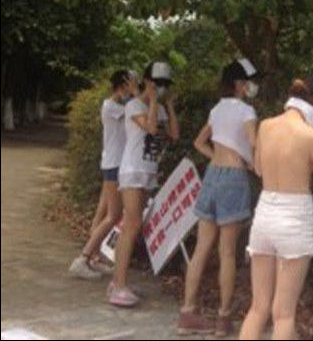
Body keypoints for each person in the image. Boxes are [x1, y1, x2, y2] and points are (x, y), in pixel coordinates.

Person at [239, 76, 313, 341]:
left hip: (265, 212)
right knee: (284, 314)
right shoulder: (312, 137)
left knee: (258, 307)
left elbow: (258, 169)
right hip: (295, 217)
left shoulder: (266, 126)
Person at [178, 58, 260, 337]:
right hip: (234, 178)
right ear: (239, 84)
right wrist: (254, 166)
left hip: (212, 175)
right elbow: (254, 145)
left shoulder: (216, 109)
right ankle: (223, 318)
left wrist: (217, 156)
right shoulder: (247, 111)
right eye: (248, 82)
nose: (251, 86)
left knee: (202, 248)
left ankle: (187, 312)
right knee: (227, 253)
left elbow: (199, 142)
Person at [108, 61, 179, 307]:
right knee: (132, 224)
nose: (161, 88)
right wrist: (152, 100)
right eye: (157, 83)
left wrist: (168, 106)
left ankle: (118, 280)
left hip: (148, 172)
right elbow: (150, 128)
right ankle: (118, 286)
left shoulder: (156, 107)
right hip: (132, 171)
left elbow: (174, 134)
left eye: (165, 84)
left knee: (134, 226)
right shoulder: (134, 105)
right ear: (148, 82)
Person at [68, 70, 136, 279]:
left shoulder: (119, 105)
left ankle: (93, 258)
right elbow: (135, 111)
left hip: (113, 164)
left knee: (102, 213)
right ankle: (82, 259)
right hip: (114, 165)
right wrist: (138, 96)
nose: (134, 89)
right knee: (113, 215)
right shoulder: (111, 106)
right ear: (122, 86)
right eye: (131, 85)